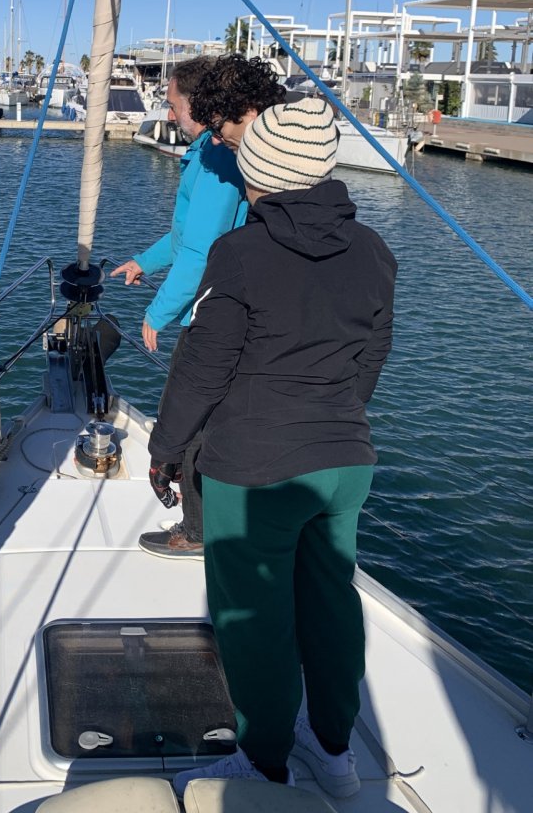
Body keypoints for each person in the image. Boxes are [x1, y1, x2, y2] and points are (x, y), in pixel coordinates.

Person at [147, 98, 397, 798]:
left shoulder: (241, 254)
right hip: (345, 460)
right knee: (330, 600)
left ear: (260, 170)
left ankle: (263, 761)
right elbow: (370, 360)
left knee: (253, 619)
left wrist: (165, 449)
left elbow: (203, 368)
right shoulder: (376, 252)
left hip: (254, 468)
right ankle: (336, 751)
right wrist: (336, 418)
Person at [112, 55, 284, 559]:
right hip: (218, 301)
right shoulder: (206, 155)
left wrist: (156, 313)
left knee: (187, 419)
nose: (169, 116)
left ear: (199, 105)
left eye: (173, 106)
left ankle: (197, 529)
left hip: (209, 312)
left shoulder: (214, 162)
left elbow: (201, 250)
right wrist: (143, 262)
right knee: (199, 418)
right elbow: (183, 234)